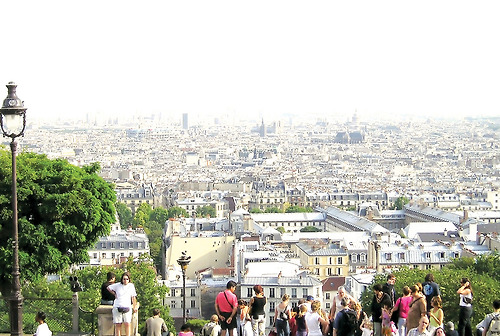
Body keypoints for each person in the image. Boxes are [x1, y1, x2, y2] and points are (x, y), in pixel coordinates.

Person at [108, 272, 138, 336]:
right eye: (124, 279)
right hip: (117, 306)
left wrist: (134, 306)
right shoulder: (117, 285)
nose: (125, 281)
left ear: (129, 280)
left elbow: (133, 297)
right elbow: (109, 288)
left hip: (127, 306)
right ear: (122, 279)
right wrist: (114, 294)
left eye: (127, 279)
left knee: (127, 323)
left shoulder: (131, 286)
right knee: (118, 324)